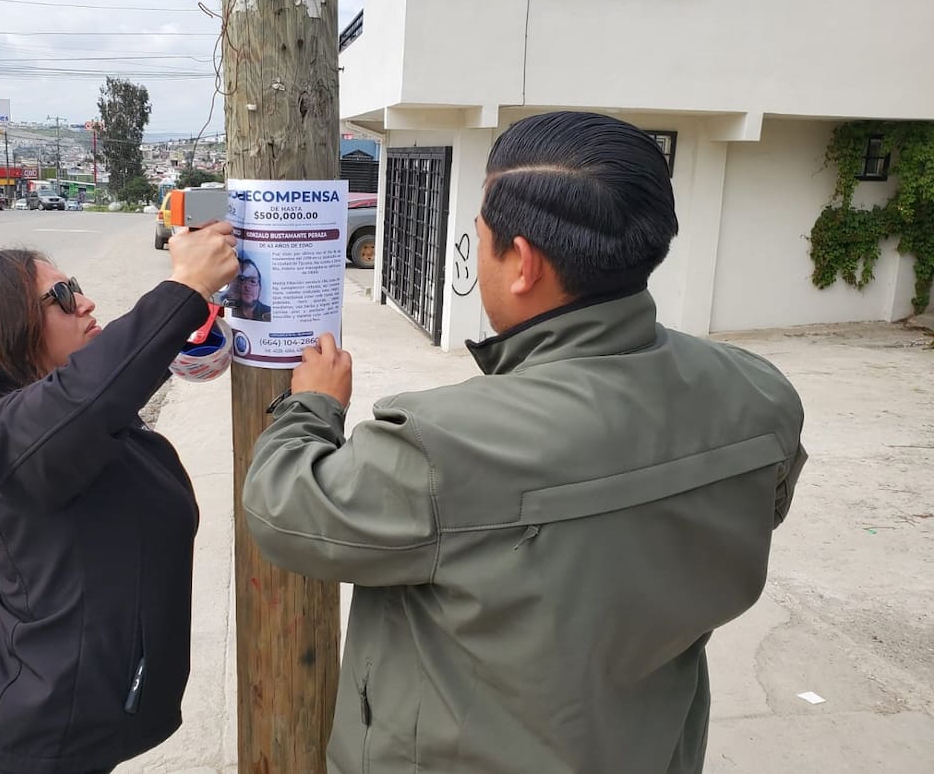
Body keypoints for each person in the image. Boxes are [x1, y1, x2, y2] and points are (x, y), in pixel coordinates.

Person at [243, 112, 807, 774]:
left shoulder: (441, 442)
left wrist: (311, 406)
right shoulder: (759, 394)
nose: (474, 254)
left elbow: (282, 510)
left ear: (523, 264)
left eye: (480, 239)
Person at [0, 222, 238, 774]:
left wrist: (189, 338)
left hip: (59, 737)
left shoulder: (60, 425)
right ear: (6, 330)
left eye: (78, 286)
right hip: (13, 749)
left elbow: (100, 395)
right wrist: (186, 288)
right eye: (62, 298)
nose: (86, 302)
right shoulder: (0, 441)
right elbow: (88, 397)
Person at [228, 257, 272, 322]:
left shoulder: (269, 312)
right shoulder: (228, 306)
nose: (247, 286)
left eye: (252, 281)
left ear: (259, 288)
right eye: (242, 280)